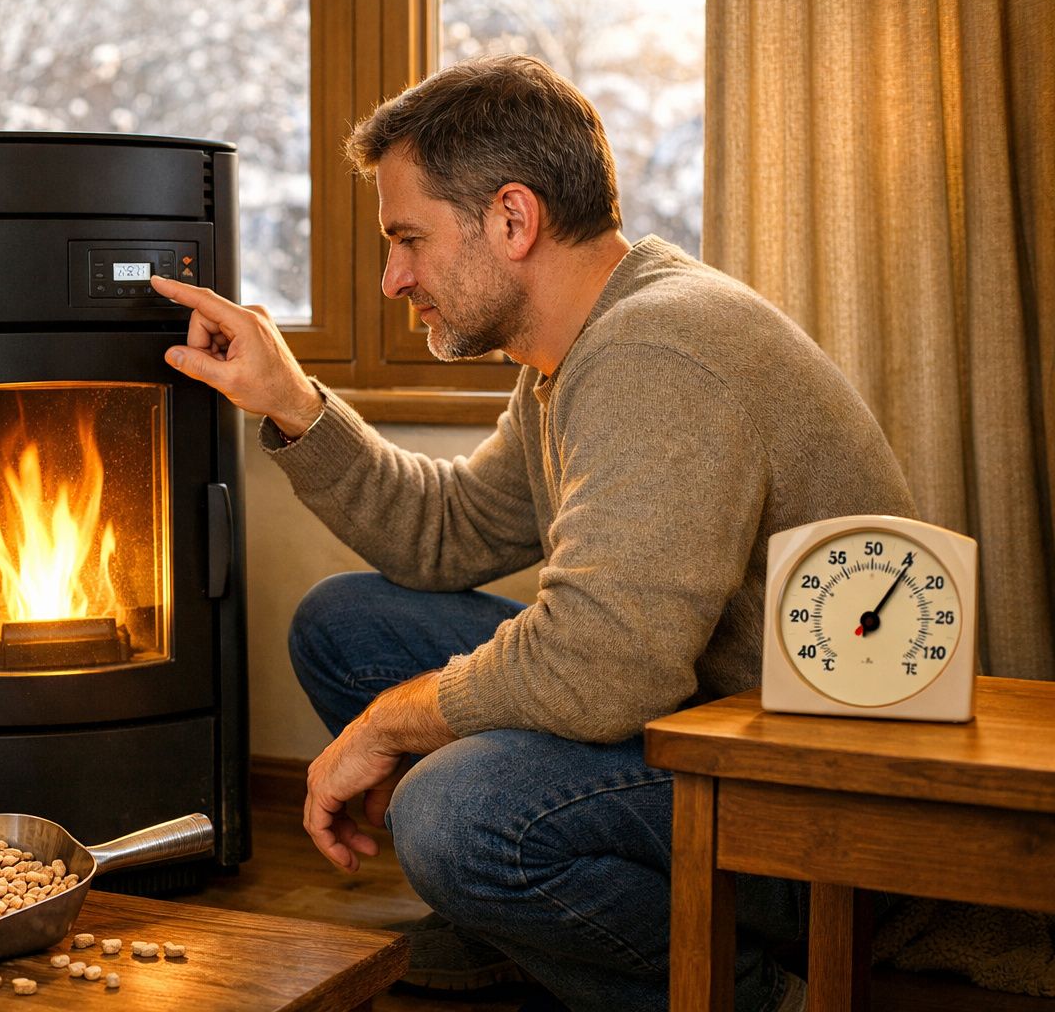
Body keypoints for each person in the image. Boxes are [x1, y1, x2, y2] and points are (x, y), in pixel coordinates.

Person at [150, 54, 915, 1012]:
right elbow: (449, 532)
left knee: (453, 813)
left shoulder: (657, 352)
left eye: (408, 240)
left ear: (513, 219)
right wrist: (295, 404)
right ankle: (520, 928)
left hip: (809, 814)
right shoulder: (577, 351)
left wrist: (387, 724)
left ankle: (754, 991)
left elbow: (602, 670)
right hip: (695, 723)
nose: (392, 279)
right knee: (347, 622)